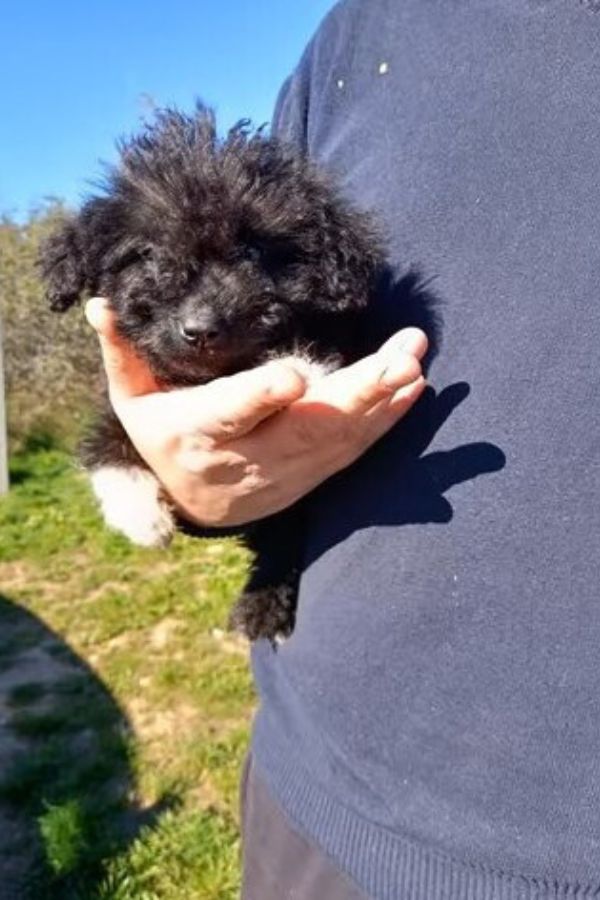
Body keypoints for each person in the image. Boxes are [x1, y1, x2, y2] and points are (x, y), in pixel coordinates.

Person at [86, 0, 600, 897]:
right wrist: (183, 484)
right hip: (318, 783)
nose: (206, 310)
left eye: (247, 261)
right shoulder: (363, 33)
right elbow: (221, 467)